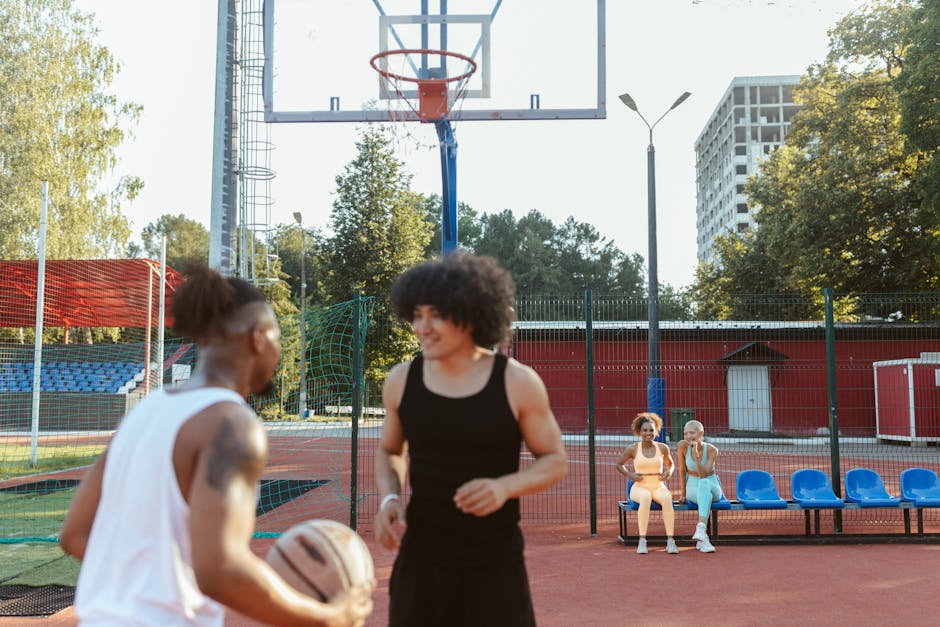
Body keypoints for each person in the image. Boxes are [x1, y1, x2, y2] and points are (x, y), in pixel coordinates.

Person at [60, 263, 373, 626]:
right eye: (277, 338)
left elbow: (76, 534)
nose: (278, 352)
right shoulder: (232, 424)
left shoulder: (147, 410)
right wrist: (327, 617)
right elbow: (220, 568)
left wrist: (153, 580)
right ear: (258, 337)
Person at [374, 253, 568, 627]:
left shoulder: (517, 382)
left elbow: (554, 459)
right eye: (416, 314)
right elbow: (388, 449)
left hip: (494, 563)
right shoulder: (401, 380)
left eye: (436, 315)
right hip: (421, 561)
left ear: (472, 314)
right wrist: (390, 496)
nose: (422, 327)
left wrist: (504, 487)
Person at [615, 412, 678, 554]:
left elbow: (671, 465)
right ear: (639, 431)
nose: (648, 433)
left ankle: (670, 541)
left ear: (656, 431)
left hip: (657, 486)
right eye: (645, 430)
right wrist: (630, 475)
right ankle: (642, 540)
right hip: (639, 487)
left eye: (651, 430)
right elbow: (619, 464)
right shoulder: (633, 448)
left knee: (667, 498)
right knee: (645, 497)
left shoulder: (662, 448)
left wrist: (669, 472)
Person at [676, 419, 722, 553]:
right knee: (704, 493)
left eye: (692, 433)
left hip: (712, 486)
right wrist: (683, 493)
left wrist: (696, 458)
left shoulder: (712, 450)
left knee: (705, 483)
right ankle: (703, 535)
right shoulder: (682, 446)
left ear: (701, 433)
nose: (688, 436)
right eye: (685, 433)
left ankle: (701, 529)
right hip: (692, 487)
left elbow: (704, 475)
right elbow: (682, 470)